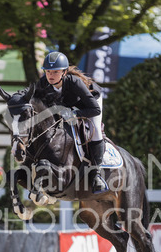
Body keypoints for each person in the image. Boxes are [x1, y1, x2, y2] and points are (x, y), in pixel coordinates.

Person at [35, 51, 109, 194]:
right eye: (48, 71)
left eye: (55, 72)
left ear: (64, 72)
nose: (50, 75)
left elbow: (95, 109)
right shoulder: (43, 83)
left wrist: (75, 114)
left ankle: (96, 174)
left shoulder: (74, 82)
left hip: (90, 103)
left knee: (95, 130)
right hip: (67, 107)